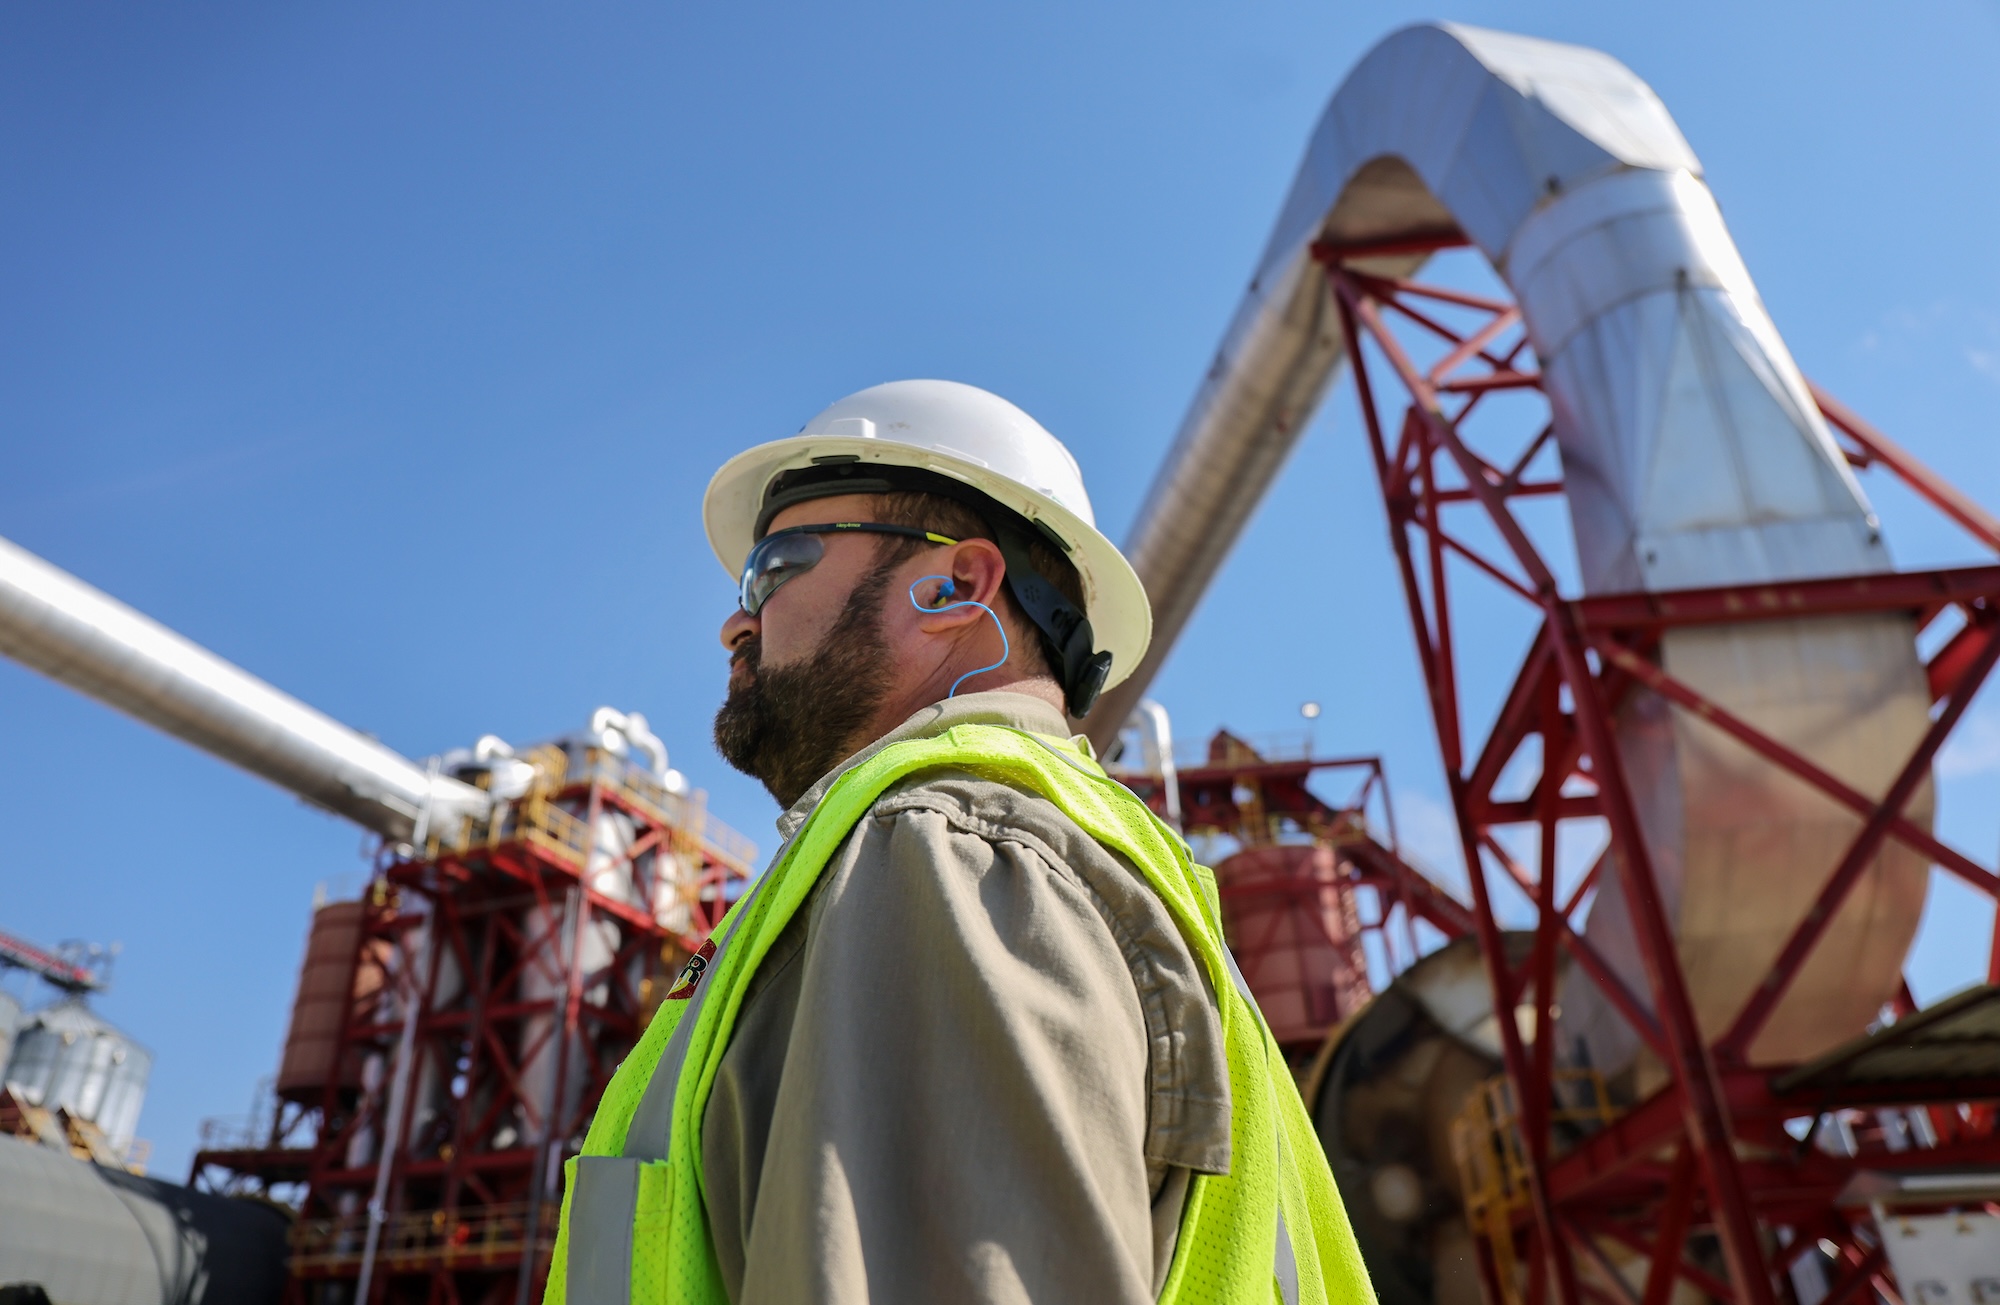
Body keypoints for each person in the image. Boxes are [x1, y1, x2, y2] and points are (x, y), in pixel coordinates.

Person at [543, 380, 1372, 1304]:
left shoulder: (947, 852)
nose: (737, 620)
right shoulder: (1086, 867)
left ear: (952, 586)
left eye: (772, 568)